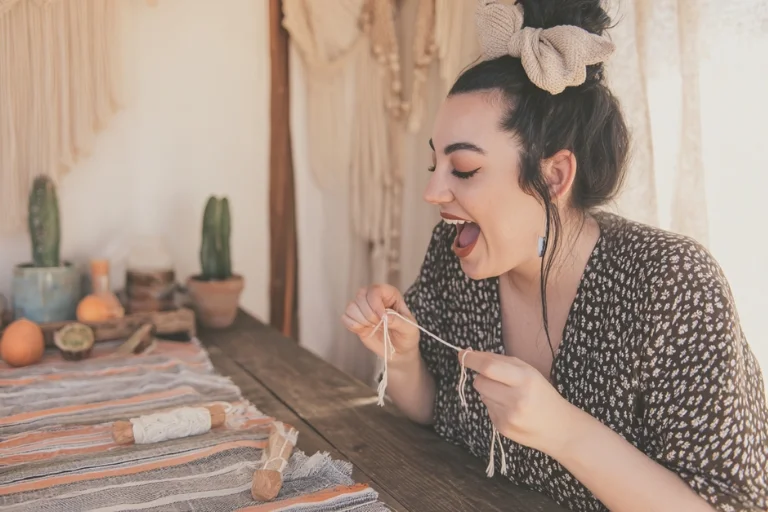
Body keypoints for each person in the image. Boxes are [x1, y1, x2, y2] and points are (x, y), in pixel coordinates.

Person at [342, 1, 768, 511]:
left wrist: (563, 430)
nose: (433, 192)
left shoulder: (672, 284)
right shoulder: (454, 257)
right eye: (435, 164)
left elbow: (731, 505)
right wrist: (404, 357)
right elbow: (437, 411)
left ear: (554, 176)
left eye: (464, 169)